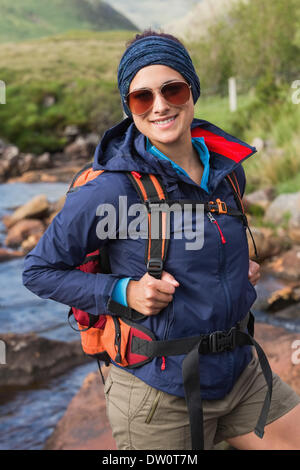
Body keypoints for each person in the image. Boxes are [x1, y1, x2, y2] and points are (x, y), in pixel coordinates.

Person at [22, 30, 300, 451]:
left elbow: (206, 236)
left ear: (192, 91)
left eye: (173, 88)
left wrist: (234, 265)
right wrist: (124, 290)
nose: (160, 105)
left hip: (241, 370)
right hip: (160, 391)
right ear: (128, 106)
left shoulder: (227, 171)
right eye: (142, 97)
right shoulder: (109, 190)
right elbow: (37, 271)